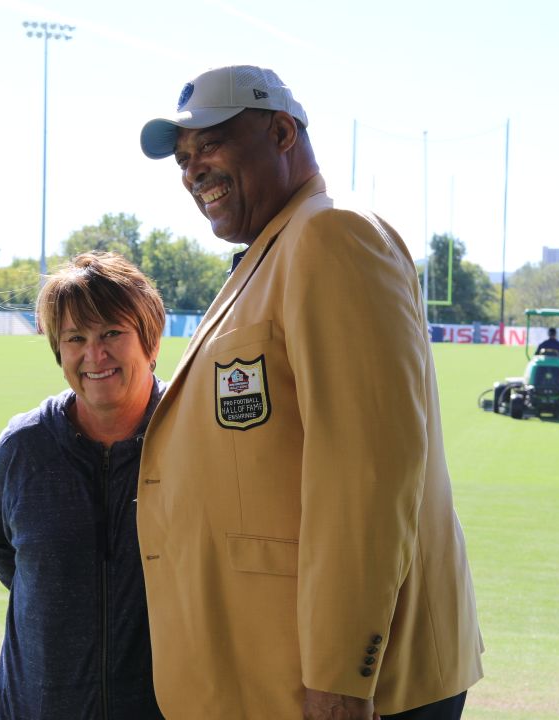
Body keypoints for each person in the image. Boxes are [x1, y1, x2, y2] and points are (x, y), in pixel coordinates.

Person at [135, 65, 484, 719]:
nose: (192, 171)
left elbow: (366, 475)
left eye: (209, 144)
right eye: (183, 159)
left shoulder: (332, 236)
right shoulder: (277, 249)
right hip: (273, 677)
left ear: (282, 131)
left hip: (339, 689)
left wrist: (340, 677)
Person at [0, 252, 167, 720]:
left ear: (150, 340)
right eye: (75, 338)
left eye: (112, 334)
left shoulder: (196, 437)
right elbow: (3, 550)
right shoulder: (24, 448)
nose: (94, 355)